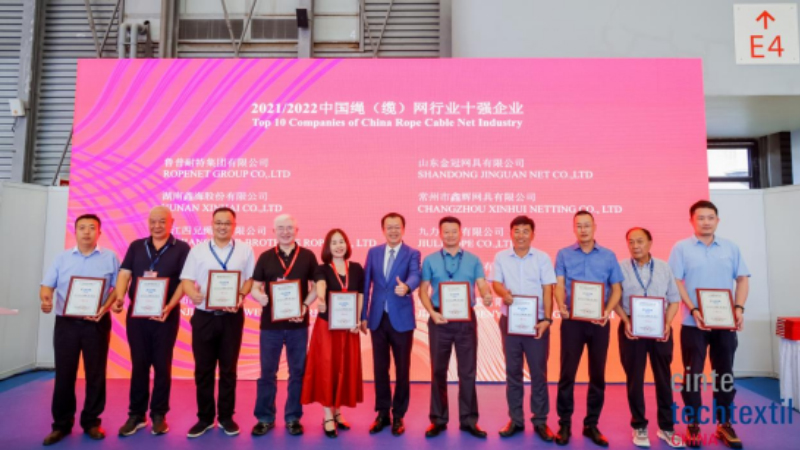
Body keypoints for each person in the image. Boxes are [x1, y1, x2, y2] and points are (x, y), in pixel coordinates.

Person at [669, 200, 750, 449]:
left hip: (725, 324)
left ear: (717, 220)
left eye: (710, 217)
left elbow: (742, 279)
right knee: (693, 374)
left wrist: (739, 308)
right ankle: (693, 423)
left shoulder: (731, 247)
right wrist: (693, 309)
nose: (706, 222)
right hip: (692, 323)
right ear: (691, 221)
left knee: (724, 373)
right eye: (700, 218)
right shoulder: (681, 248)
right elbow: (676, 282)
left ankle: (724, 423)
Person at [40, 214, 121, 445]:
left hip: (97, 323)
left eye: (91, 228)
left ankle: (92, 422)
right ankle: (61, 425)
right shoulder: (62, 258)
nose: (86, 232)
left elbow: (118, 288)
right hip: (67, 324)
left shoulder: (110, 258)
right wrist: (46, 299)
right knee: (64, 374)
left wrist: (107, 307)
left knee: (96, 374)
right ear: (74, 232)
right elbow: (47, 286)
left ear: (99, 232)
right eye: (82, 227)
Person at [113, 206, 191, 437]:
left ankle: (159, 414)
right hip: (137, 316)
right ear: (148, 223)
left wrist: (170, 306)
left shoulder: (182, 248)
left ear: (171, 223)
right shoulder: (137, 246)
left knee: (162, 365)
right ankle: (136, 415)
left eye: (162, 221)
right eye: (153, 221)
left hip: (165, 316)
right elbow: (125, 273)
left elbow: (185, 281)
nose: (157, 226)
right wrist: (119, 297)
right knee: (139, 365)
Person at [180, 207, 255, 438]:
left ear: (234, 225)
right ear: (212, 225)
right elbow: (186, 279)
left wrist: (241, 295)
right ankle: (204, 418)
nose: (222, 227)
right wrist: (192, 294)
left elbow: (250, 279)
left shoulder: (245, 250)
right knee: (203, 369)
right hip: (204, 317)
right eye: (218, 223)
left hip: (232, 318)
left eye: (227, 223)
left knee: (228, 370)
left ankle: (225, 417)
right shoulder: (198, 250)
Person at [554, 210, 623, 447]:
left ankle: (591, 424)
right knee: (567, 374)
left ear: (595, 227)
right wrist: (560, 304)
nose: (583, 230)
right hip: (572, 322)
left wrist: (607, 311)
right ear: (574, 228)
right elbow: (559, 284)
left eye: (587, 225)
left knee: (597, 374)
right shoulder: (563, 254)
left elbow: (616, 289)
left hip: (599, 322)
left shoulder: (608, 256)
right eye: (579, 226)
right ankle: (564, 423)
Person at [419, 216, 493, 439]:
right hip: (439, 318)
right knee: (438, 371)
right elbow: (423, 290)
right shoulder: (430, 260)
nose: (450, 235)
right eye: (446, 231)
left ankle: (469, 421)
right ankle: (438, 420)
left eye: (454, 231)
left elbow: (482, 284)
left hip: (465, 321)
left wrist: (486, 294)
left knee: (467, 372)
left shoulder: (473, 259)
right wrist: (432, 313)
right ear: (440, 234)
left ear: (461, 233)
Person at [615, 228, 684, 448]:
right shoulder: (620, 268)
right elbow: (614, 300)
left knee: (663, 379)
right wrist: (626, 321)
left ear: (650, 242)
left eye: (640, 241)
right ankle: (639, 426)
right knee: (634, 380)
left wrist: (667, 324)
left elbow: (674, 300)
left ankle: (666, 428)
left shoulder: (664, 267)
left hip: (660, 328)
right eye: (631, 242)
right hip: (631, 328)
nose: (635, 246)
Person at [251, 214, 318, 436]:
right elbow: (255, 286)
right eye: (281, 228)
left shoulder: (307, 256)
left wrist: (305, 305)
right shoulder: (265, 257)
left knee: (297, 372)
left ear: (296, 230)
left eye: (290, 227)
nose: (285, 232)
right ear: (274, 232)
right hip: (270, 325)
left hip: (298, 324)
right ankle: (265, 418)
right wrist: (259, 296)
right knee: (267, 373)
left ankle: (293, 417)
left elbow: (317, 286)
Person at [492, 215, 557, 442]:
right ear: (510, 233)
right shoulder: (501, 257)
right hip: (510, 322)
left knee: (539, 372)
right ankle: (516, 420)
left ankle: (540, 420)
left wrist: (547, 319)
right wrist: (504, 294)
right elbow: (496, 284)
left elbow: (548, 289)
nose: (521, 235)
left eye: (525, 231)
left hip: (536, 323)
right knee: (513, 372)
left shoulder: (542, 258)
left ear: (533, 234)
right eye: (516, 231)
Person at [301, 228, 365, 438]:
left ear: (347, 244)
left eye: (341, 241)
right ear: (328, 247)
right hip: (327, 328)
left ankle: (338, 412)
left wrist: (357, 319)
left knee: (344, 368)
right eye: (334, 242)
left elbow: (361, 294)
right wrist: (320, 299)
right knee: (327, 370)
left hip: (349, 328)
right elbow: (320, 285)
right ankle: (328, 415)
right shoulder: (322, 268)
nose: (338, 246)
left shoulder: (357, 268)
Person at [362, 212, 421, 436]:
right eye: (389, 227)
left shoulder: (412, 253)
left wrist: (407, 286)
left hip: (402, 319)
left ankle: (398, 415)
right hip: (377, 319)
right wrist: (363, 315)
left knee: (402, 369)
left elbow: (415, 275)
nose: (393, 231)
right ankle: (382, 413)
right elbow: (366, 284)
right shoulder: (373, 252)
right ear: (383, 230)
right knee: (380, 368)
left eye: (397, 227)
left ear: (403, 229)